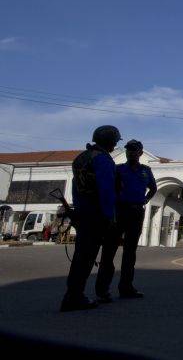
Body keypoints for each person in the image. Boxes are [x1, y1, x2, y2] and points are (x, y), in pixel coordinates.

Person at [60, 125, 121, 312]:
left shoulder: (81, 157)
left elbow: (75, 187)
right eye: (115, 141)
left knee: (81, 256)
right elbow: (106, 190)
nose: (115, 145)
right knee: (87, 257)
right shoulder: (102, 159)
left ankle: (73, 293)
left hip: (82, 212)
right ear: (109, 140)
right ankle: (74, 297)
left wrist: (77, 209)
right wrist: (109, 215)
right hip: (97, 214)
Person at [94, 140, 156, 303]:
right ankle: (102, 290)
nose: (130, 153)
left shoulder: (145, 171)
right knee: (109, 251)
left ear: (140, 153)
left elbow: (154, 188)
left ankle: (126, 287)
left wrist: (145, 200)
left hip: (136, 211)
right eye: (128, 150)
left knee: (130, 252)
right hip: (119, 211)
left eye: (134, 150)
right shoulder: (119, 169)